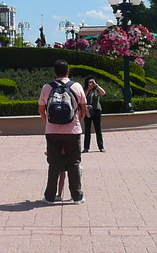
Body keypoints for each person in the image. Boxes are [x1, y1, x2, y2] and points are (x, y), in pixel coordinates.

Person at [37, 59, 87, 204]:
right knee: (74, 163)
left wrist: (48, 122)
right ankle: (77, 197)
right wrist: (77, 121)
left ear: (55, 72)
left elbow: (41, 109)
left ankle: (50, 197)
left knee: (54, 164)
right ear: (68, 71)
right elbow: (83, 109)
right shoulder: (76, 86)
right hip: (73, 131)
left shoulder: (47, 87)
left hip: (52, 131)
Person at [82, 77, 106, 153]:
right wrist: (88, 89)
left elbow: (103, 93)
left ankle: (101, 147)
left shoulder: (96, 89)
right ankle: (86, 147)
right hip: (88, 111)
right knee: (87, 129)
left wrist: (96, 85)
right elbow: (82, 98)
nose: (91, 83)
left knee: (98, 129)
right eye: (90, 82)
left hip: (96, 110)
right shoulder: (85, 89)